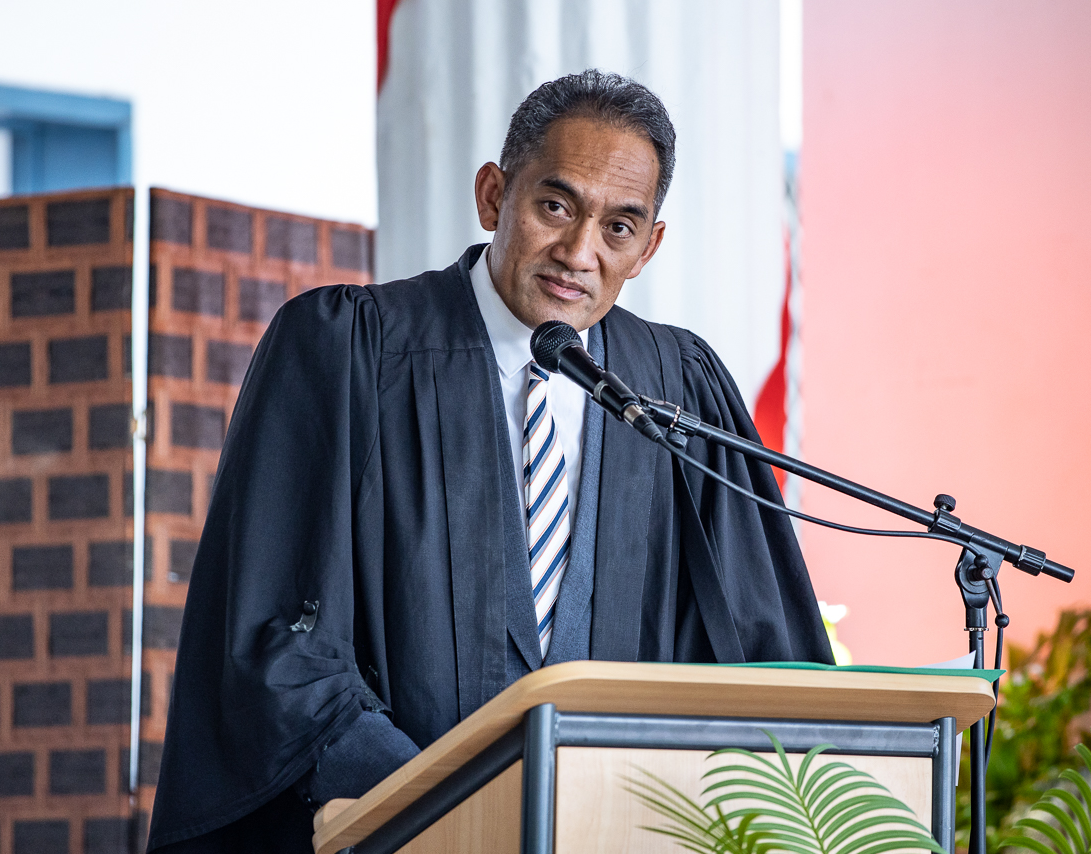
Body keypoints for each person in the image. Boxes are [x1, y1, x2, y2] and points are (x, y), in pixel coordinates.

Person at [147, 70, 833, 854]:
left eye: (618, 227)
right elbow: (274, 641)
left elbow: (760, 651)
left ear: (648, 247)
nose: (578, 253)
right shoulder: (348, 350)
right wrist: (446, 808)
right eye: (555, 206)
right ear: (492, 195)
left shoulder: (677, 389)